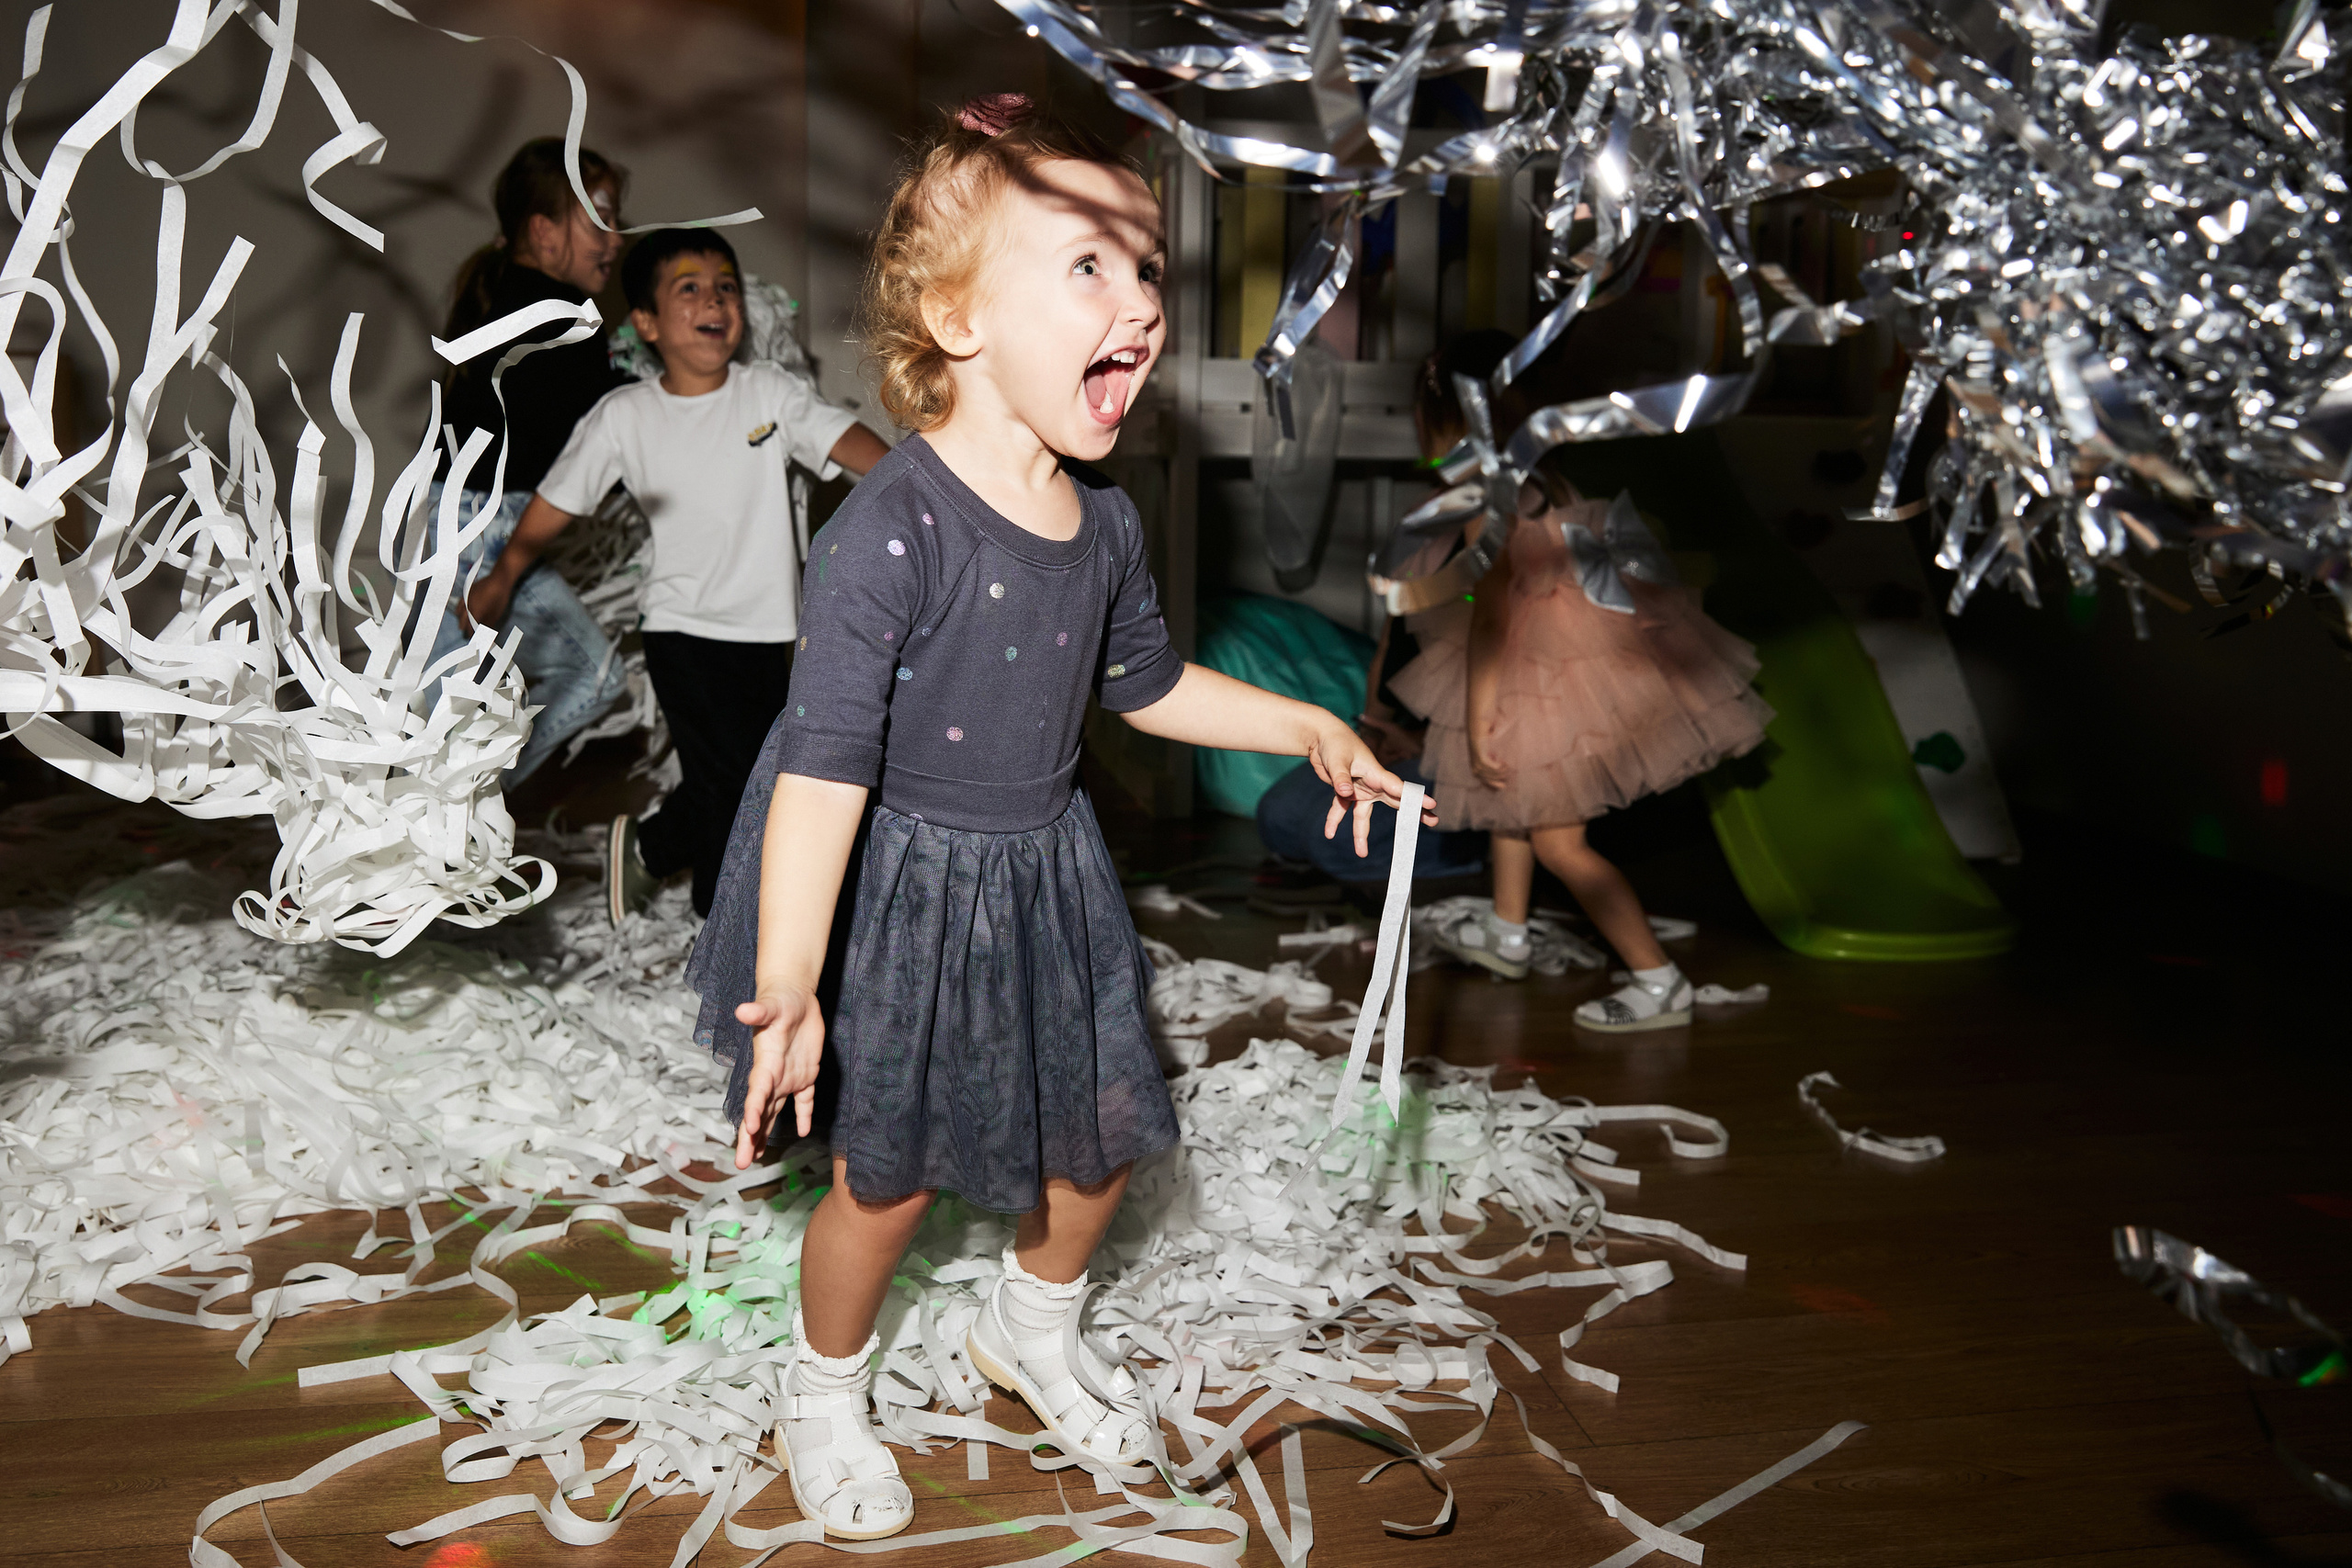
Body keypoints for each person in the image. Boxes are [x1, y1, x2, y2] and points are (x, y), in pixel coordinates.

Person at [683, 95, 1432, 1541]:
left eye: (1147, 270)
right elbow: (827, 767)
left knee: (1102, 1143)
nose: (1140, 303)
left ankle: (1031, 1326)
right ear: (956, 319)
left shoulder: (1106, 525)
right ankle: (824, 1383)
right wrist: (790, 981)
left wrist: (1309, 720)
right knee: (885, 1183)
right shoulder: (890, 528)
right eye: (1087, 265)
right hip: (892, 889)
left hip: (1045, 874)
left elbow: (1148, 685)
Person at [460, 228, 890, 923]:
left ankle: (653, 849)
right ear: (649, 323)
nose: (713, 299)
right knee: (735, 784)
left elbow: (847, 441)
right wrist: (504, 573)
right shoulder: (626, 415)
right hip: (681, 630)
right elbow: (554, 504)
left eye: (724, 285)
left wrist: (925, 484)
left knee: (754, 776)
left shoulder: (768, 394)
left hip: (770, 634)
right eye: (688, 288)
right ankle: (720, 928)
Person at [1391, 333, 1774, 1029]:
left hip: (1545, 676)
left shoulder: (1491, 495)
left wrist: (1478, 724)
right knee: (1516, 801)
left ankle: (1658, 979)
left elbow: (1491, 619)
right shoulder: (1546, 476)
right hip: (1563, 668)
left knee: (1560, 844)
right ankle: (1508, 934)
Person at [424, 139, 634, 785]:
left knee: (441, 726)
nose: (617, 238)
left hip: (454, 519)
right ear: (544, 234)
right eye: (599, 216)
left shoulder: (503, 300)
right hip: (479, 530)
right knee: (587, 675)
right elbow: (608, 434)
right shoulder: (563, 320)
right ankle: (465, 816)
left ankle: (462, 818)